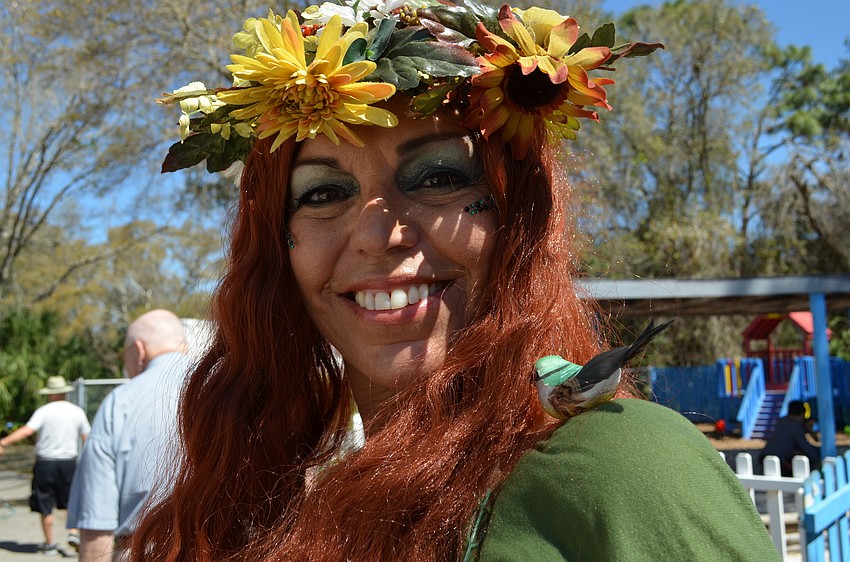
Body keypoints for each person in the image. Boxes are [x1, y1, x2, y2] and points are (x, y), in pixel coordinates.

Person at [132, 3, 780, 560]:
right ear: (278, 247)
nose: (377, 234)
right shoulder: (274, 492)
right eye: (325, 192)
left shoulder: (624, 467)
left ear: (514, 219)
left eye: (438, 176)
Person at [66, 309, 192, 562]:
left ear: (139, 350)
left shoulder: (119, 402)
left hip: (143, 550)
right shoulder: (231, 392)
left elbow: (96, 522)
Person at [0, 375, 90, 556]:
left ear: (50, 393)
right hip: (68, 463)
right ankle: (73, 532)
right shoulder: (77, 411)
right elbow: (87, 437)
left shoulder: (44, 411)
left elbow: (27, 430)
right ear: (64, 392)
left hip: (46, 463)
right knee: (69, 501)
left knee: (44, 503)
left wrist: (4, 443)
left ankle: (49, 544)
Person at [760, 400, 821, 477]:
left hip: (765, 456)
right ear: (803, 414)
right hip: (778, 459)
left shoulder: (782, 421)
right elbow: (806, 447)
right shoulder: (795, 427)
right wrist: (817, 459)